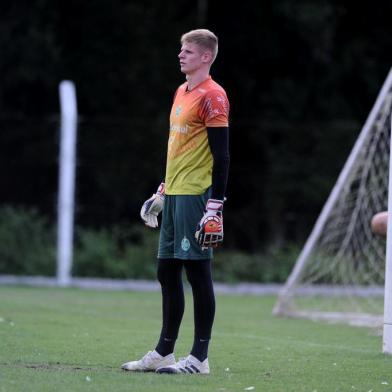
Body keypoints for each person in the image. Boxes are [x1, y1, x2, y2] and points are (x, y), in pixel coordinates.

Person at [121, 29, 230, 375]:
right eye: (181, 49)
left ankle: (199, 358)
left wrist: (215, 204)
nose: (181, 55)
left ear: (206, 57)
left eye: (188, 51)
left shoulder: (214, 96)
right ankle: (164, 351)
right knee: (166, 271)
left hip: (197, 195)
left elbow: (222, 155)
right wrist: (163, 190)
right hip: (175, 194)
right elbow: (179, 147)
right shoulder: (181, 92)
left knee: (198, 272)